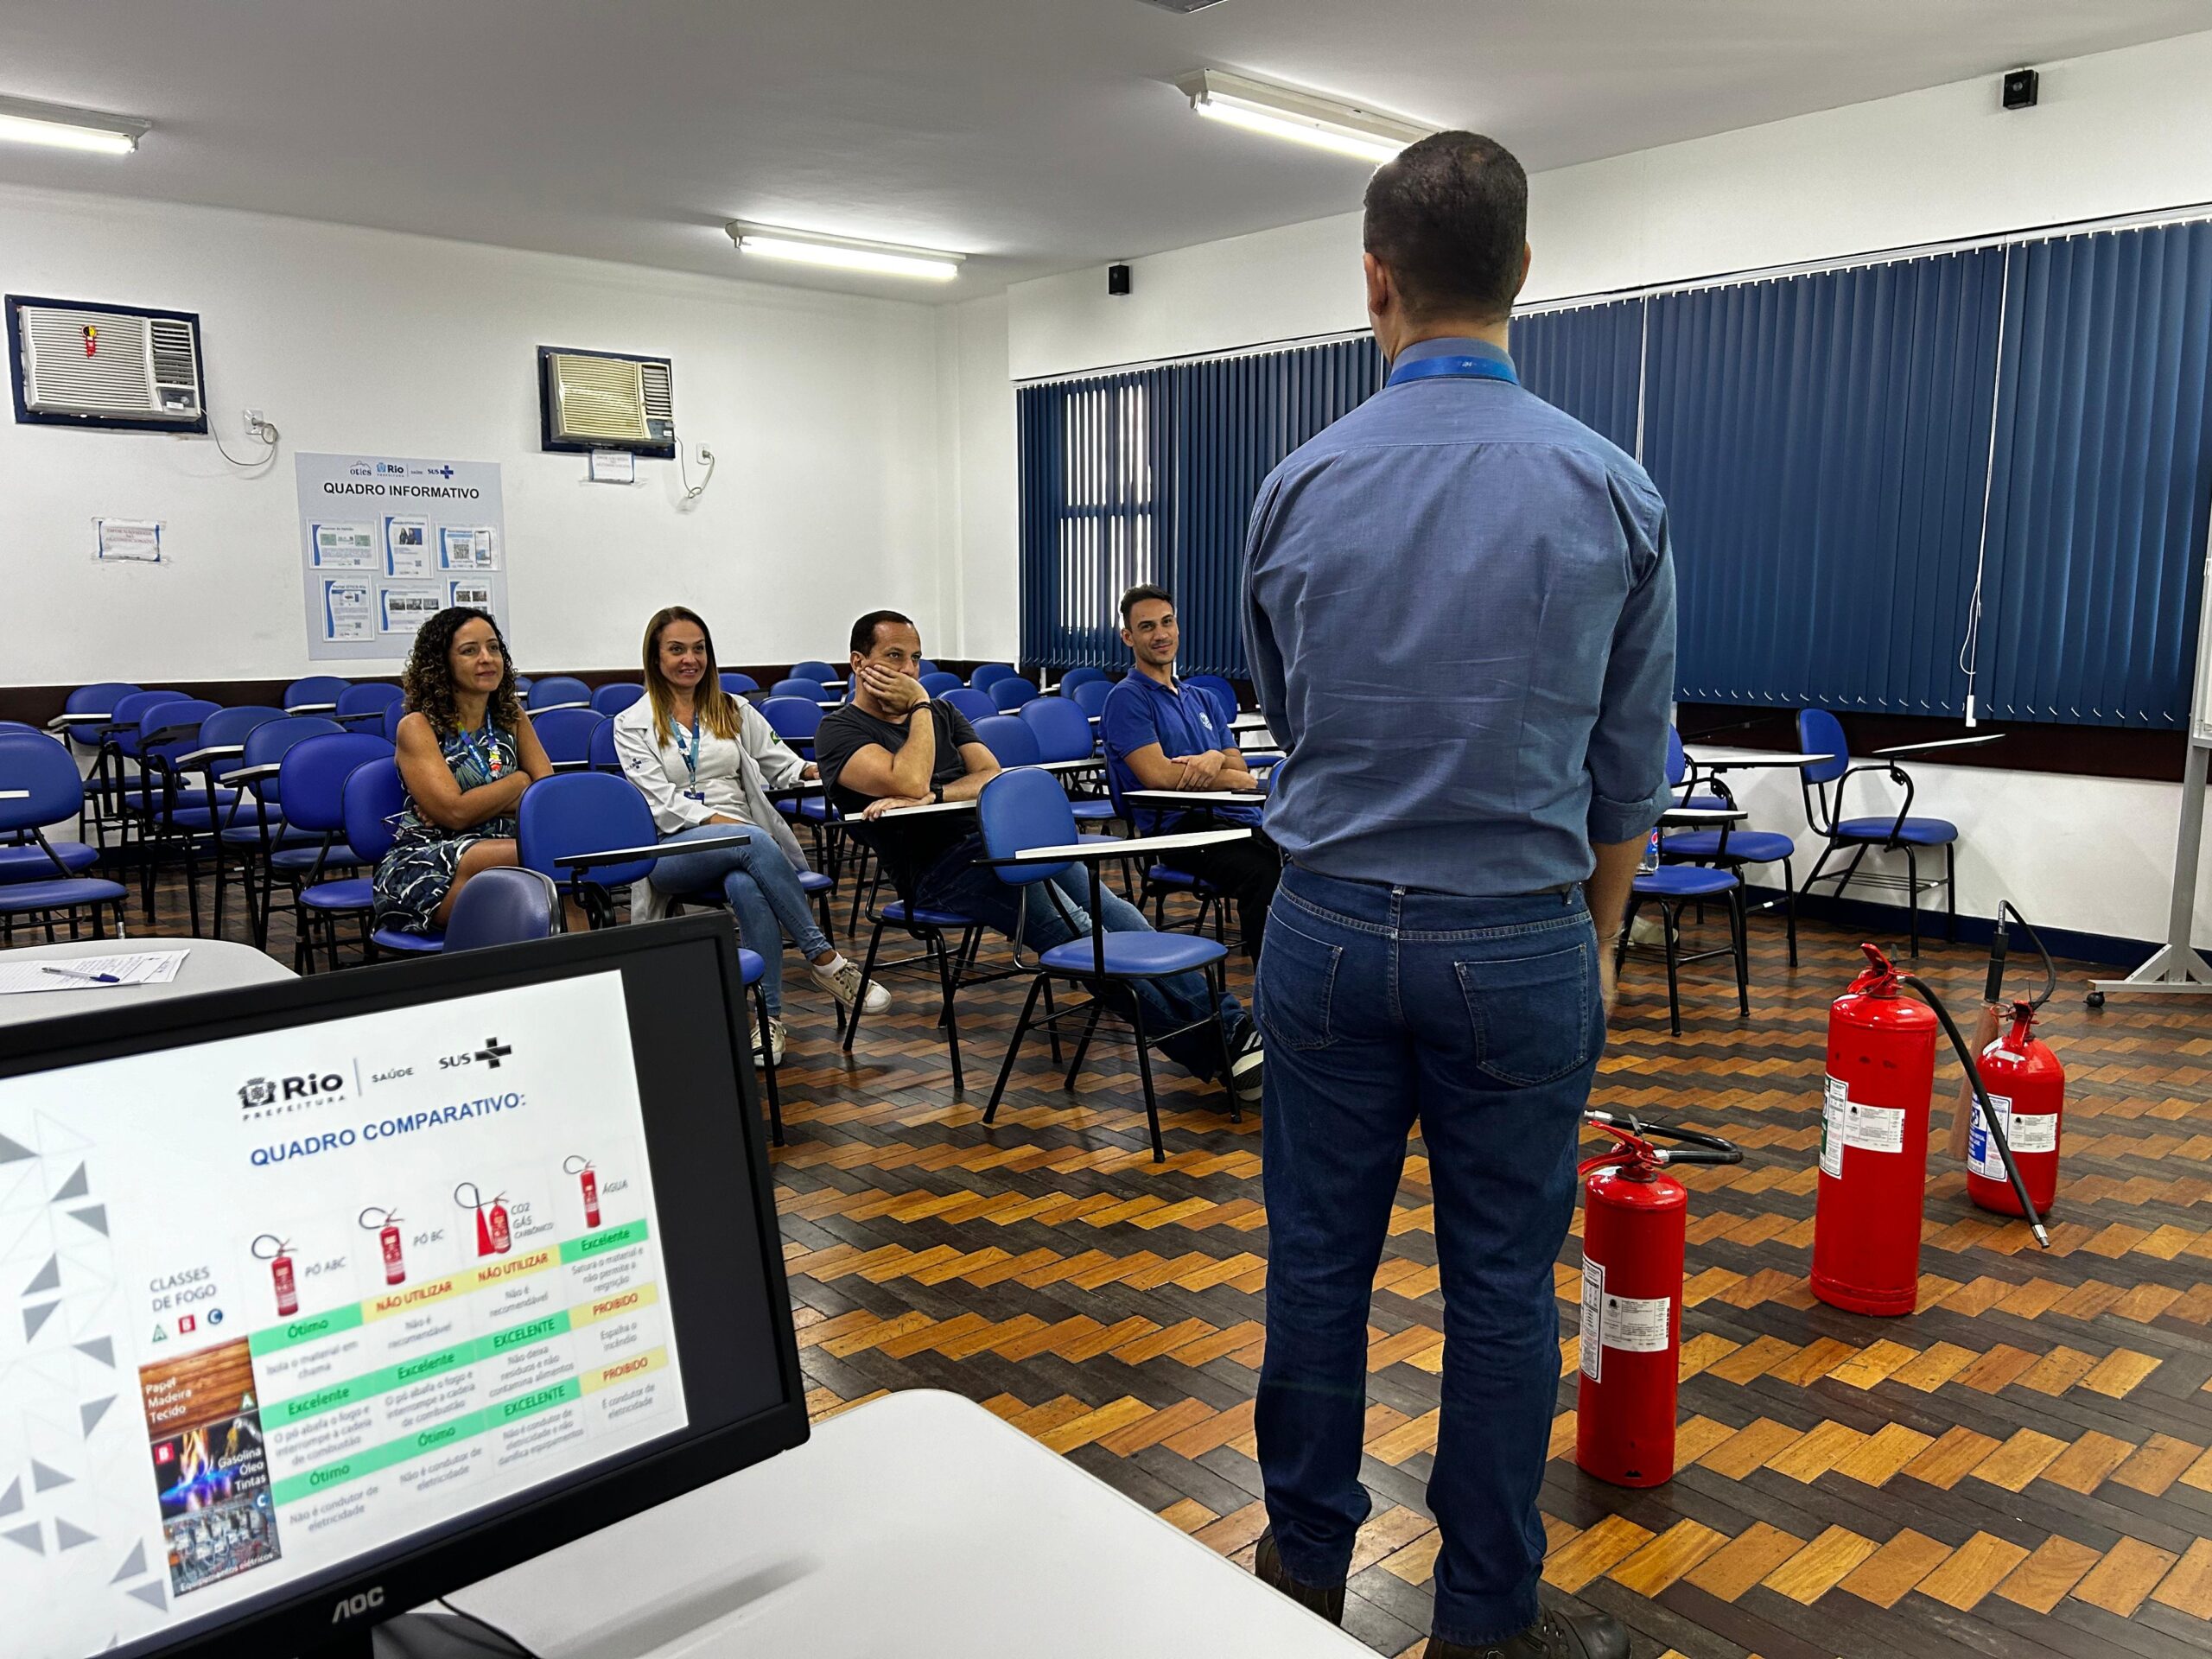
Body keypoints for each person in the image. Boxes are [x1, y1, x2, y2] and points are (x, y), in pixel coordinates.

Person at [1241, 133, 1673, 1659]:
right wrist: (1601, 943)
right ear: (1525, 275)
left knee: (1315, 1265)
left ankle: (1299, 1578)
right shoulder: (1611, 488)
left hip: (1330, 925)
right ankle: (1485, 1618)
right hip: (1524, 940)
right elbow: (1628, 775)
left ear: (1377, 281)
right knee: (1501, 1290)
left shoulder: (1296, 486)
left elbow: (1295, 728)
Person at [815, 609, 1264, 1103]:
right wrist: (921, 711)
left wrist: (936, 797)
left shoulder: (943, 714)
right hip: (939, 869)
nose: (909, 671)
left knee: (1117, 913)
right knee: (1082, 936)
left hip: (1003, 844)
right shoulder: (840, 732)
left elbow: (990, 774)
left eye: (916, 659)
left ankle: (1234, 1026)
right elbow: (908, 780)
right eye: (894, 658)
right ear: (859, 663)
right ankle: (1221, 1049)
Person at [613, 606, 888, 1061]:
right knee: (749, 839)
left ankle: (768, 1021)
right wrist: (725, 825)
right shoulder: (631, 723)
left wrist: (818, 769)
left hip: (742, 850)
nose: (690, 659)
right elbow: (659, 804)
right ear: (655, 658)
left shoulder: (732, 708)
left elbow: (782, 764)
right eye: (677, 649)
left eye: (699, 649)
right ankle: (824, 960)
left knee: (747, 883)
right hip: (674, 850)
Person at [1099, 583, 1281, 957]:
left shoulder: (1204, 698)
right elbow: (1162, 778)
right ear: (1128, 637)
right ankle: (1271, 988)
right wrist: (1227, 772)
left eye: (1167, 622)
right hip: (1181, 832)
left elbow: (1240, 766)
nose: (1161, 634)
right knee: (1263, 871)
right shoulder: (1126, 699)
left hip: (1236, 820)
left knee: (1301, 852)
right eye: (1147, 627)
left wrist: (1213, 759)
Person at [375, 607, 555, 934]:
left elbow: (546, 799)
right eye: (470, 651)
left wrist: (476, 803)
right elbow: (455, 815)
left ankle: (575, 975)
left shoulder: (511, 716)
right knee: (549, 855)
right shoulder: (417, 727)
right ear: (442, 664)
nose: (486, 658)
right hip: (432, 863)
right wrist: (518, 783)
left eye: (494, 648)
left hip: (505, 848)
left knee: (552, 870)